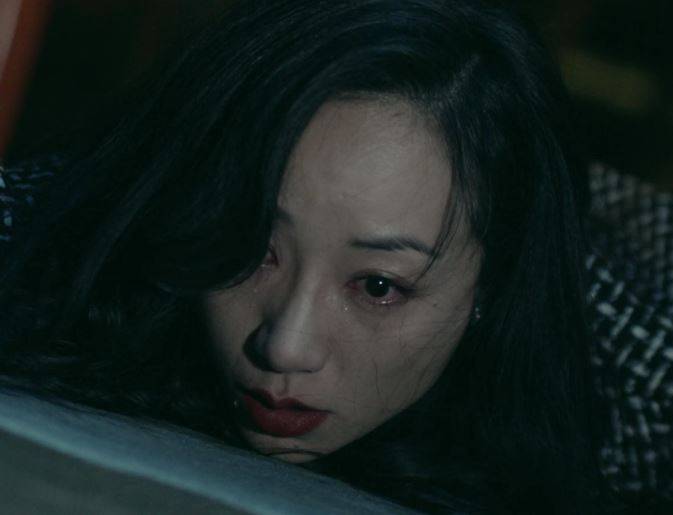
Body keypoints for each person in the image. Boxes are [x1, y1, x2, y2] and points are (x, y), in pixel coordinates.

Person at [0, 0, 670, 513]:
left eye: (377, 286)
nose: (285, 346)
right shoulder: (85, 227)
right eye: (250, 247)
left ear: (492, 285)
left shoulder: (638, 380)